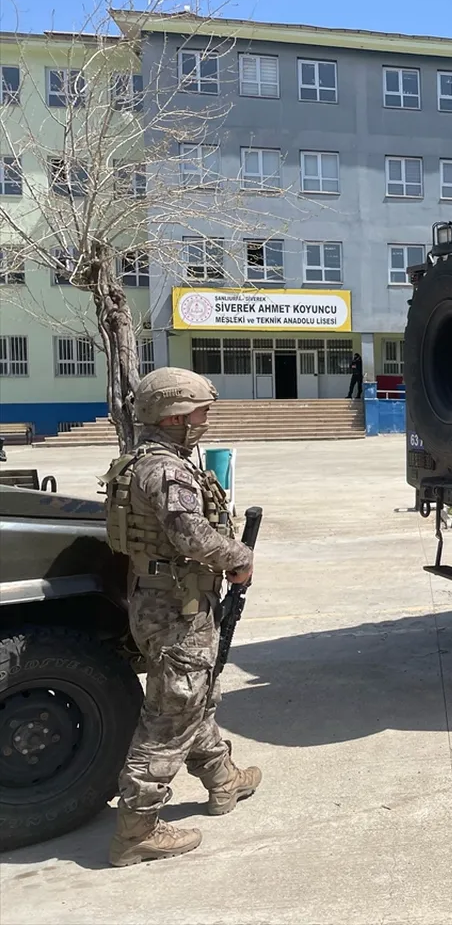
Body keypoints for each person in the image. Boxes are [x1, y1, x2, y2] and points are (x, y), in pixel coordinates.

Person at [101, 368, 262, 867]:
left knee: (194, 694)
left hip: (158, 600)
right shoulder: (166, 471)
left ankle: (221, 778)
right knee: (171, 714)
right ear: (174, 415)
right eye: (200, 412)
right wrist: (239, 557)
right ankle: (137, 828)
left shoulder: (137, 461)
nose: (205, 421)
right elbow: (192, 536)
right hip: (176, 607)